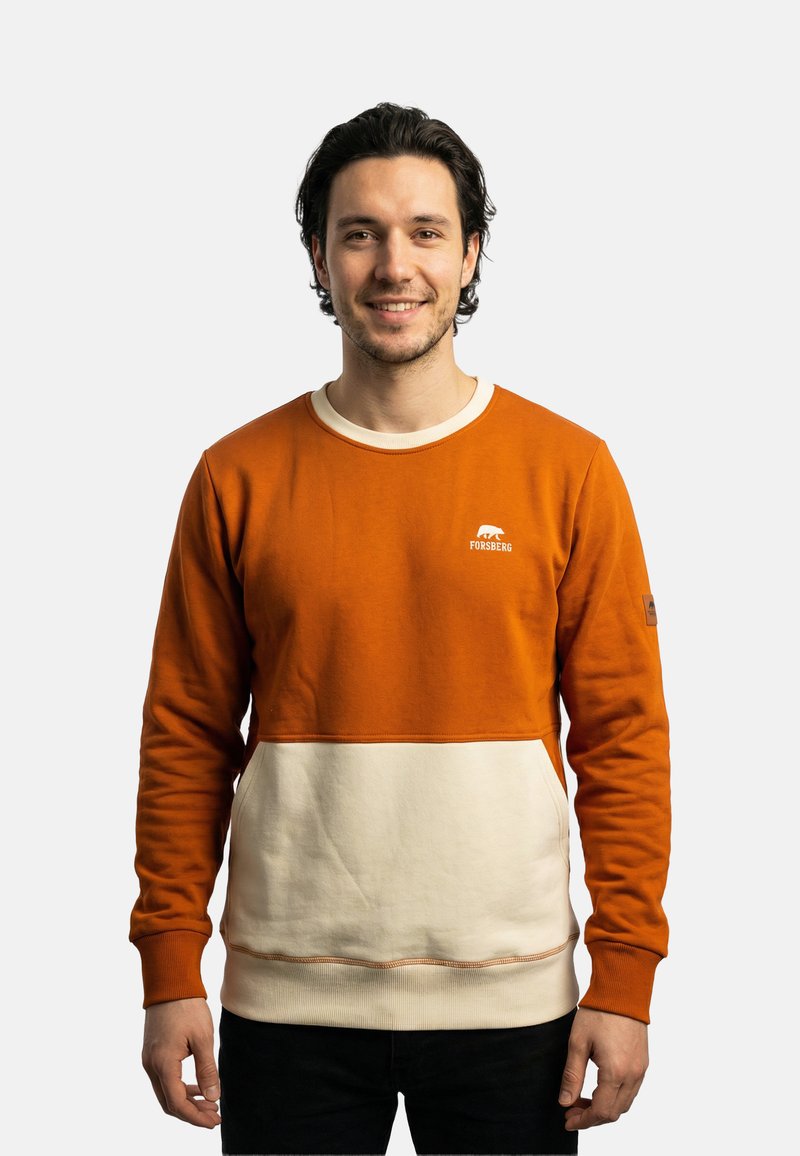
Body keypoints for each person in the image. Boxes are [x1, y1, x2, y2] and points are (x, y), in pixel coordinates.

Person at [130, 101, 671, 1155]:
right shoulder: (237, 477)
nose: (394, 266)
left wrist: (625, 980)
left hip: (515, 1005)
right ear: (318, 256)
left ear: (470, 254)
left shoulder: (569, 470)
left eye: (426, 232)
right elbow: (185, 735)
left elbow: (624, 738)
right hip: (285, 1002)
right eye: (360, 233)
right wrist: (167, 968)